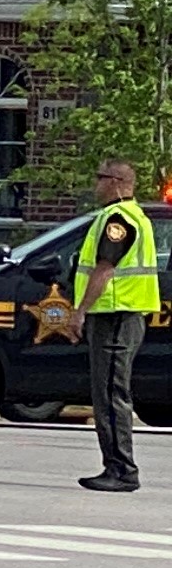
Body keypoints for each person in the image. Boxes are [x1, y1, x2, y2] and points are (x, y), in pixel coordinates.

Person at [64, 156, 161, 494]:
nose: (96, 185)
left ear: (118, 182)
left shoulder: (118, 219)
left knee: (110, 393)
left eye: (101, 178)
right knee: (108, 391)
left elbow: (104, 270)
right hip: (119, 315)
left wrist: (79, 312)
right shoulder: (132, 216)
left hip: (117, 315)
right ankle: (117, 467)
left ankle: (121, 470)